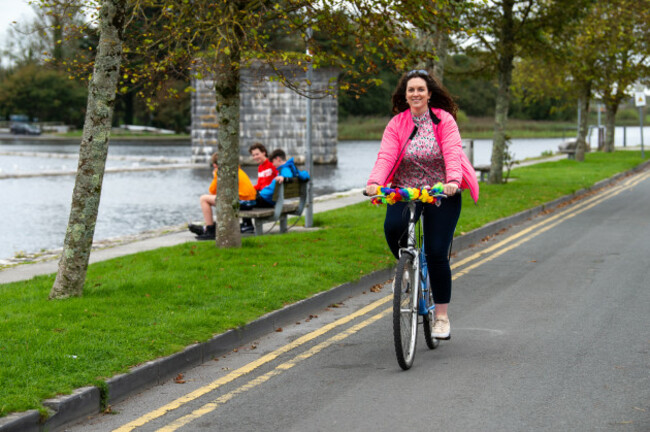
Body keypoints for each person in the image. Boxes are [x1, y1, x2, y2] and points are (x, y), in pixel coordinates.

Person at [365, 69, 479, 340]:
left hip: (441, 192)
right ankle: (406, 270)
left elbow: (452, 151)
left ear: (429, 94)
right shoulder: (397, 124)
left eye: (420, 89)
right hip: (405, 191)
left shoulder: (444, 120)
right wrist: (374, 182)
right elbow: (386, 156)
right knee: (393, 228)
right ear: (404, 96)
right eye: (410, 90)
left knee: (437, 253)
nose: (415, 94)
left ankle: (441, 316)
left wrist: (453, 180)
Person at [188, 153, 257, 240]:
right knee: (216, 198)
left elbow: (212, 190)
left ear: (215, 165)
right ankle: (210, 227)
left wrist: (215, 175)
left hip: (241, 203)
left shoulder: (222, 172)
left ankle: (210, 230)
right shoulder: (236, 169)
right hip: (250, 202)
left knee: (204, 199)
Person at [241, 143, 279, 232]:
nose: (255, 157)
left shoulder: (271, 164)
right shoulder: (260, 167)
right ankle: (247, 224)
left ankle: (247, 225)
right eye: (253, 155)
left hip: (269, 198)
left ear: (264, 153)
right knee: (244, 194)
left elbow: (279, 177)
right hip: (263, 196)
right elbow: (259, 185)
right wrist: (248, 189)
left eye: (257, 154)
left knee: (244, 199)